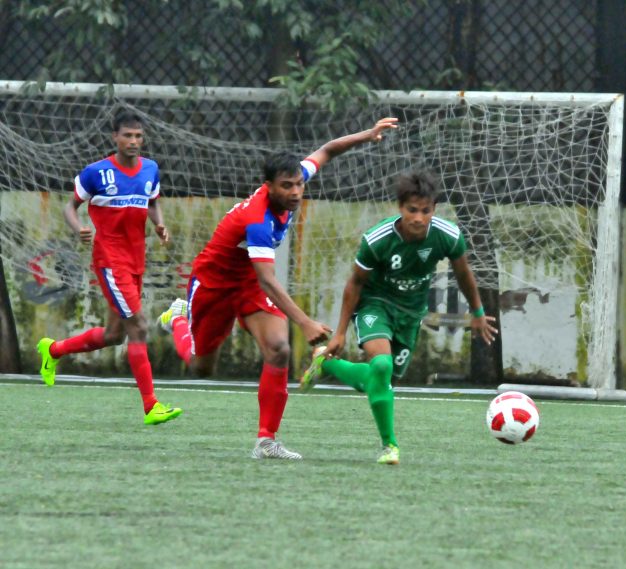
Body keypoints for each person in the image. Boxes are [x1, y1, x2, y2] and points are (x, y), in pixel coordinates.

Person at [158, 117, 399, 460]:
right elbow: (268, 280)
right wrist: (305, 322)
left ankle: (266, 440)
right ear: (268, 186)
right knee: (201, 368)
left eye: (299, 184)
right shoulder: (257, 219)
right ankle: (179, 317)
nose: (296, 192)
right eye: (287, 186)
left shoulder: (295, 183)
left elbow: (327, 150)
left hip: (248, 284)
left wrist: (368, 134)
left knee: (279, 349)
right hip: (213, 285)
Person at [301, 171, 498, 465]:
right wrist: (341, 332)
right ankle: (389, 446)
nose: (419, 218)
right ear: (400, 207)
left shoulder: (447, 235)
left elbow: (463, 273)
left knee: (381, 380)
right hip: (375, 304)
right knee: (381, 364)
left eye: (426, 211)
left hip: (410, 313)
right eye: (412, 210)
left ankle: (326, 362)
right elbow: (354, 283)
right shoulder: (378, 240)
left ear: (434, 209)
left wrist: (478, 312)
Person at [36, 110, 182, 426]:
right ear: (114, 137)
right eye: (127, 135)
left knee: (115, 334)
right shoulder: (97, 173)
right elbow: (69, 206)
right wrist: (78, 228)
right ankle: (151, 406)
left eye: (138, 136)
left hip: (136, 259)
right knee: (139, 327)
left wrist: (160, 224)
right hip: (110, 261)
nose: (133, 141)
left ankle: (54, 350)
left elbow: (152, 201)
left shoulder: (151, 169)